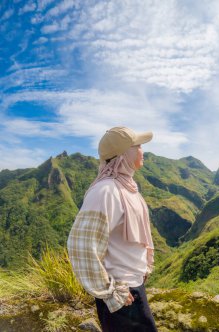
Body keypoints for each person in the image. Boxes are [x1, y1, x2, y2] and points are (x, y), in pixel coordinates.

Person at [67, 126, 158, 332]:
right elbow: (80, 245)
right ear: (124, 154)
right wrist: (109, 292)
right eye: (138, 146)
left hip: (131, 288)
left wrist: (144, 267)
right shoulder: (106, 191)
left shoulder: (127, 186)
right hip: (121, 292)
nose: (143, 150)